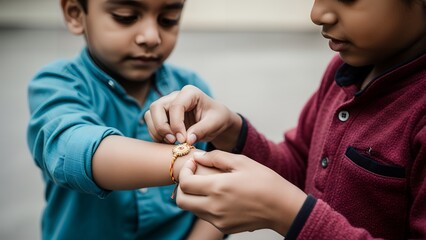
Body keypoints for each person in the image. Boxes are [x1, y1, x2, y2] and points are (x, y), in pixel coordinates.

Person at [144, 0, 426, 239]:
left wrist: (290, 214)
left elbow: (293, 203)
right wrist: (232, 129)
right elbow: (300, 168)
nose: (317, 14)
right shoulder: (344, 70)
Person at [26, 0, 224, 239]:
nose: (151, 37)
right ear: (76, 14)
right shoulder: (56, 84)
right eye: (126, 16)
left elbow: (220, 198)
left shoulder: (191, 91)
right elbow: (72, 149)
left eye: (168, 19)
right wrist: (187, 162)